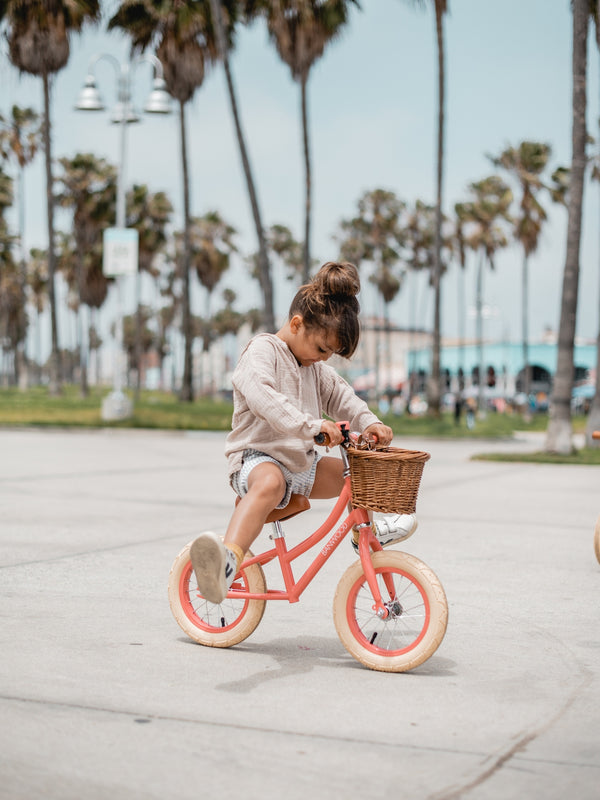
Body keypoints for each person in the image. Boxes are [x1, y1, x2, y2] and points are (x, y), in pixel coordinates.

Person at [189, 261, 417, 604]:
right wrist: (312, 427)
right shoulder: (263, 351)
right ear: (297, 324)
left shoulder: (314, 368)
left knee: (353, 477)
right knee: (270, 482)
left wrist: (368, 422)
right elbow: (266, 399)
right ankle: (226, 562)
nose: (323, 359)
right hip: (256, 459)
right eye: (322, 349)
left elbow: (342, 396)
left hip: (299, 465)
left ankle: (365, 534)